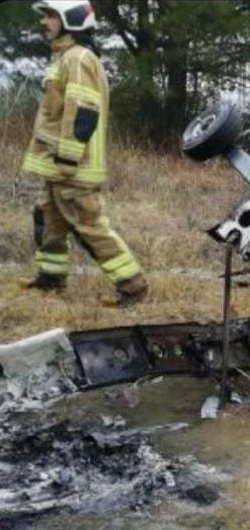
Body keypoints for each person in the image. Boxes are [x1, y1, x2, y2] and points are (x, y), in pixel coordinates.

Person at [20, 0, 148, 307]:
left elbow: (83, 112)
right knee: (49, 220)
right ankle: (51, 279)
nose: (44, 22)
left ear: (71, 20)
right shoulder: (66, 57)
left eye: (51, 16)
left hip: (71, 166)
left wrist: (67, 157)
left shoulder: (78, 58)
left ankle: (133, 287)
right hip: (58, 163)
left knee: (89, 225)